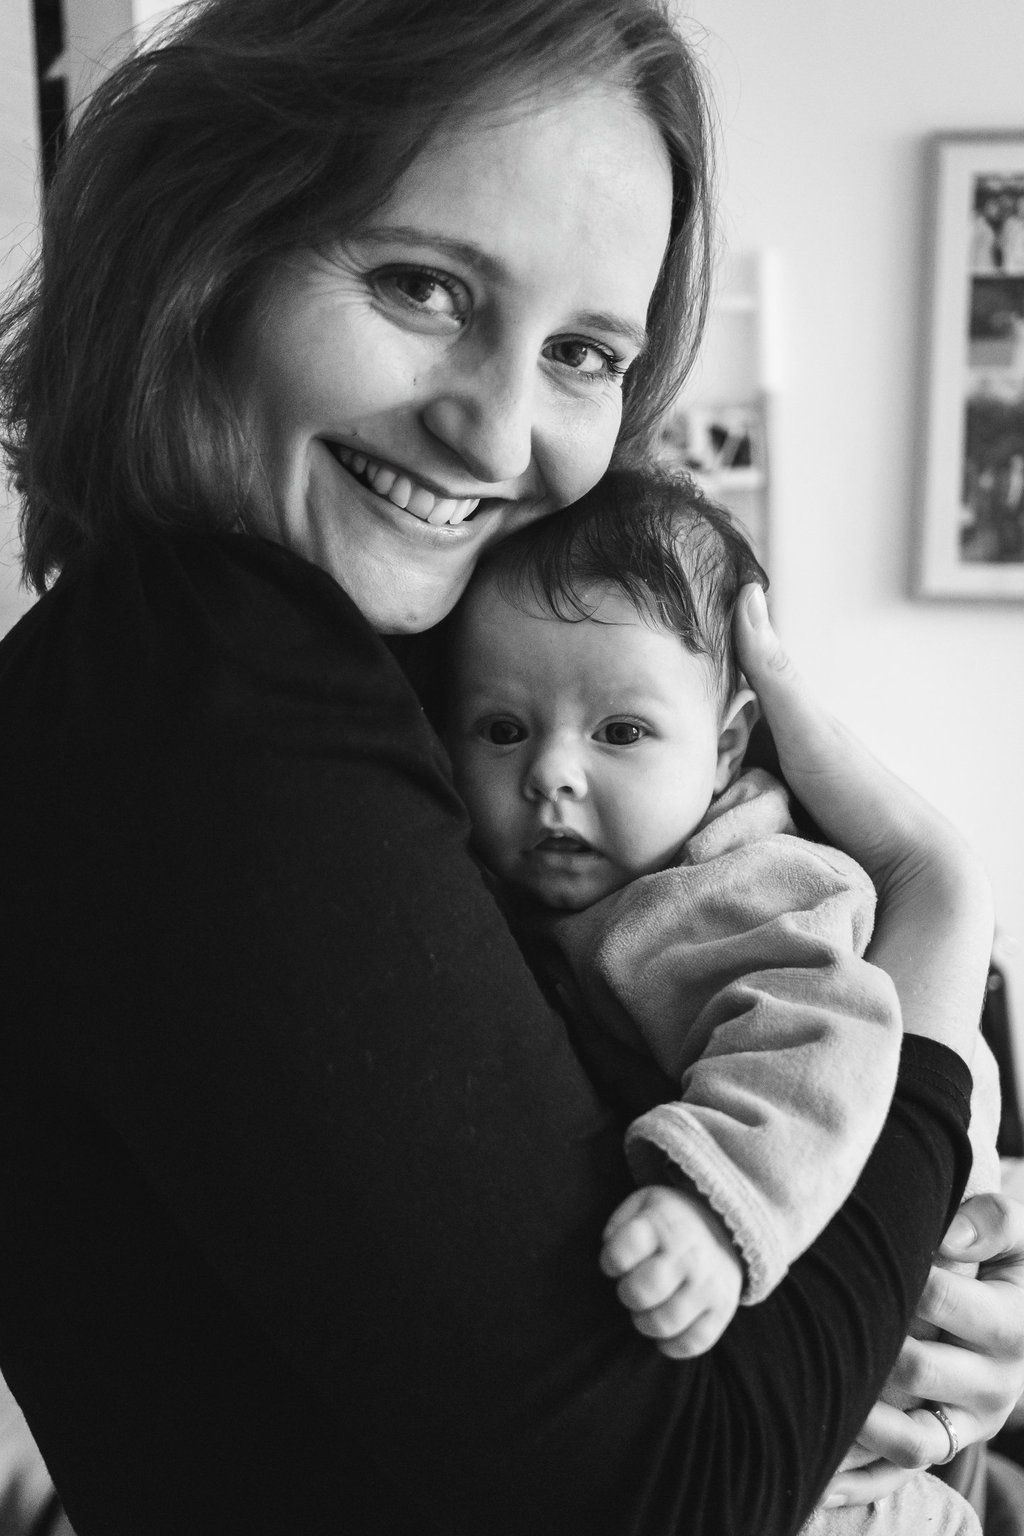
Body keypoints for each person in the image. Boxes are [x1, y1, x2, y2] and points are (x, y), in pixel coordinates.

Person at [0, 0, 1019, 1532]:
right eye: (421, 284)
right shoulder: (197, 670)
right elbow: (678, 1497)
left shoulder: (370, 683)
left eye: (586, 353)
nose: (497, 433)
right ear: (208, 250)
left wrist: (918, 1321)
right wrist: (936, 899)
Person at [447, 467, 1001, 1534]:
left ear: (729, 745)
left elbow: (819, 1039)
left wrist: (711, 1210)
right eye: (502, 729)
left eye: (620, 732)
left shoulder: (731, 886)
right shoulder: (575, 890)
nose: (550, 772)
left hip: (843, 1392)